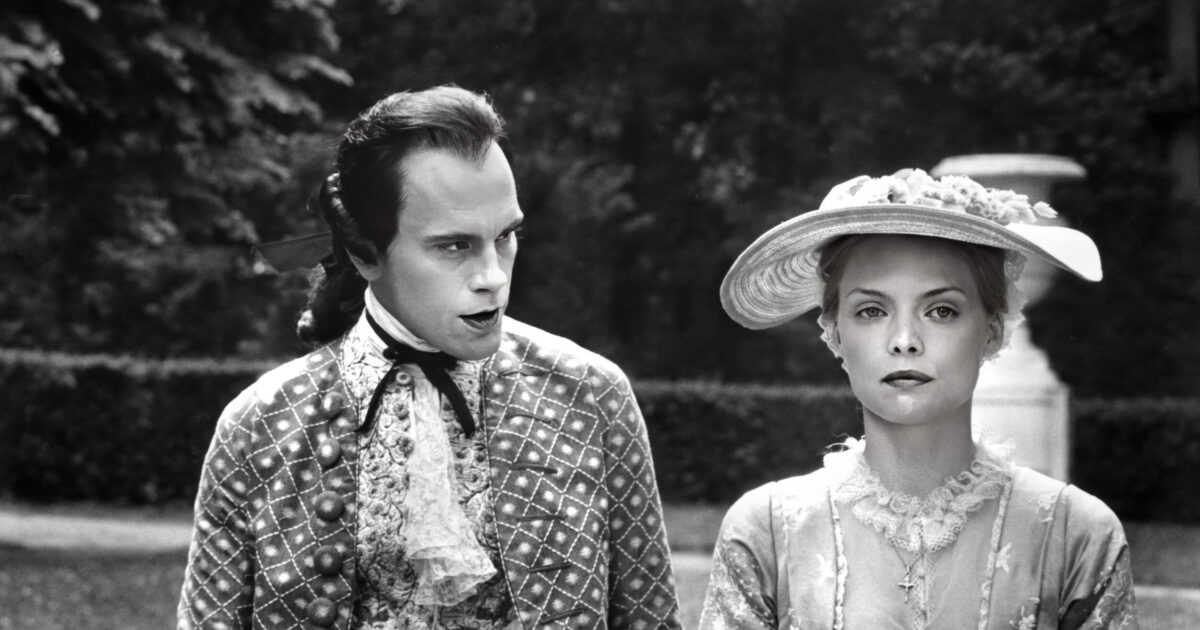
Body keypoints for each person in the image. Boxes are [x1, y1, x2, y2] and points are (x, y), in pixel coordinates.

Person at [177, 85, 681, 630]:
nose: (493, 277)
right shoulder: (262, 426)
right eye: (454, 245)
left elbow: (650, 620)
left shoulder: (590, 396)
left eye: (506, 236)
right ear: (364, 253)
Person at [700, 169, 1137, 629]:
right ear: (834, 333)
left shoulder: (1078, 534)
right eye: (872, 310)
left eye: (941, 310)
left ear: (992, 332)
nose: (905, 340)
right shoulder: (768, 531)